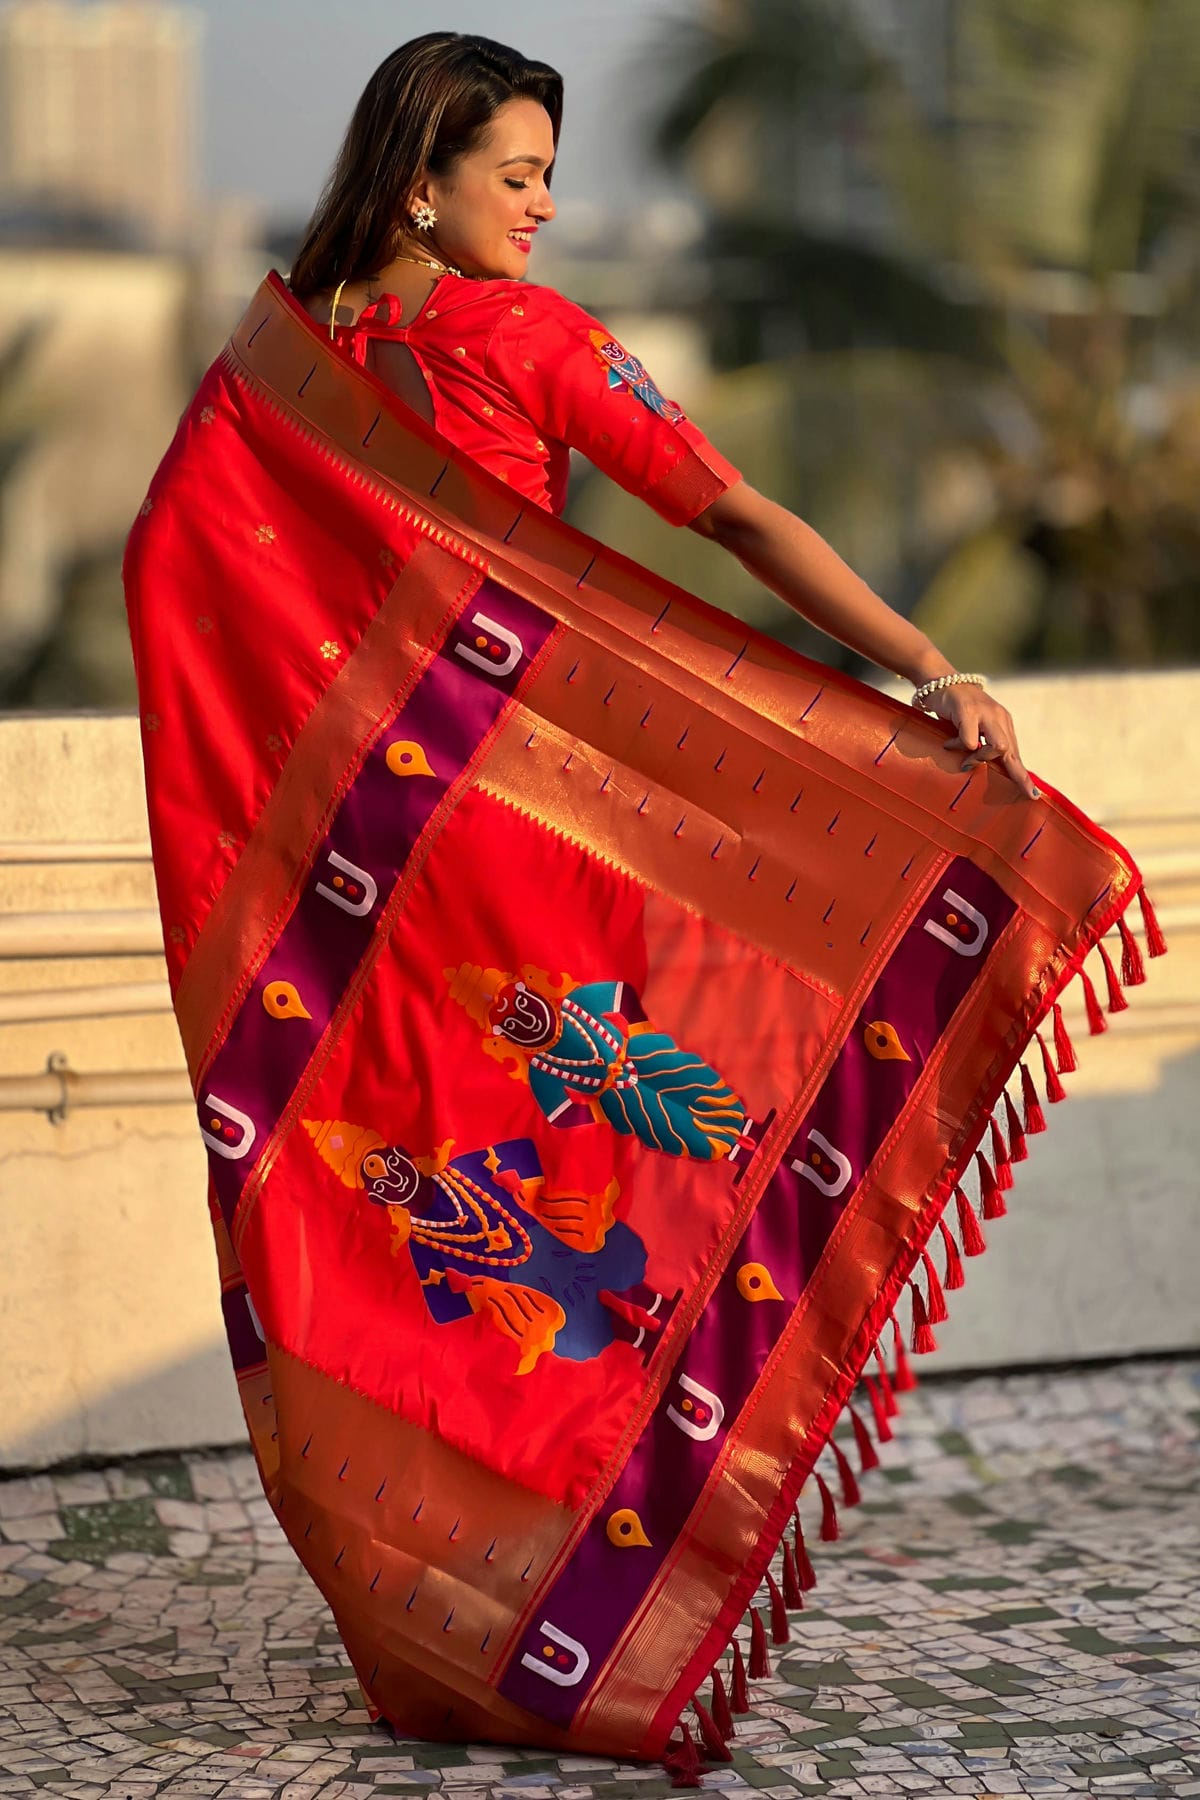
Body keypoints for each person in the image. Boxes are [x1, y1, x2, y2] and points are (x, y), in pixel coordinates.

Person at [123, 28, 1163, 1779]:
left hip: (375, 904)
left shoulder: (283, 373)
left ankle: (445, 1616)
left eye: (546, 175)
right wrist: (917, 667)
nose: (544, 208)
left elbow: (178, 561)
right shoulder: (525, 339)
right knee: (638, 1201)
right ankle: (576, 1607)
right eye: (515, 177)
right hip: (526, 855)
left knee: (405, 1217)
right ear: (421, 185)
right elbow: (735, 515)